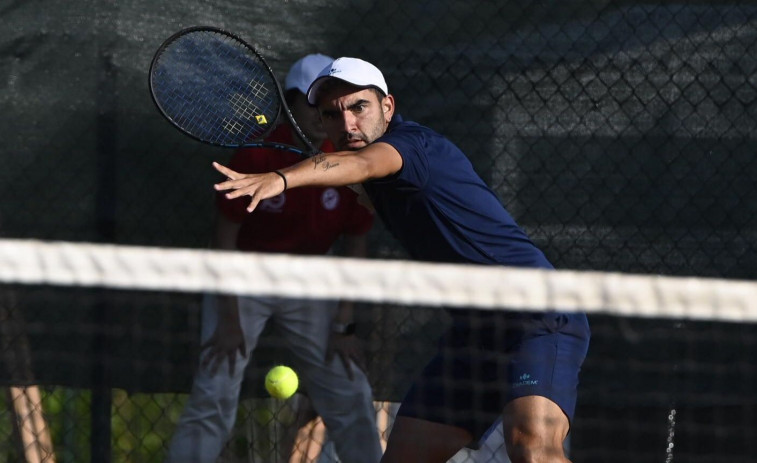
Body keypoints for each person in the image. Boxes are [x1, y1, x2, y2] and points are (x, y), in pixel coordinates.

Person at [212, 57, 591, 463]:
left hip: (535, 313)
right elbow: (362, 173)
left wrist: (281, 177)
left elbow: (362, 162)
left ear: (388, 107)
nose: (348, 123)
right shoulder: (374, 180)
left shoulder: (410, 147)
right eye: (332, 114)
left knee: (532, 449)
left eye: (359, 106)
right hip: (475, 335)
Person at [166, 54, 382, 463]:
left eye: (332, 103)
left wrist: (344, 324)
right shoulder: (256, 157)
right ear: (290, 105)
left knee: (350, 389)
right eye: (312, 101)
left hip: (309, 283)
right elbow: (224, 238)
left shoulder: (351, 158)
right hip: (244, 279)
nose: (323, 113)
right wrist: (229, 319)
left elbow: (356, 244)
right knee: (215, 386)